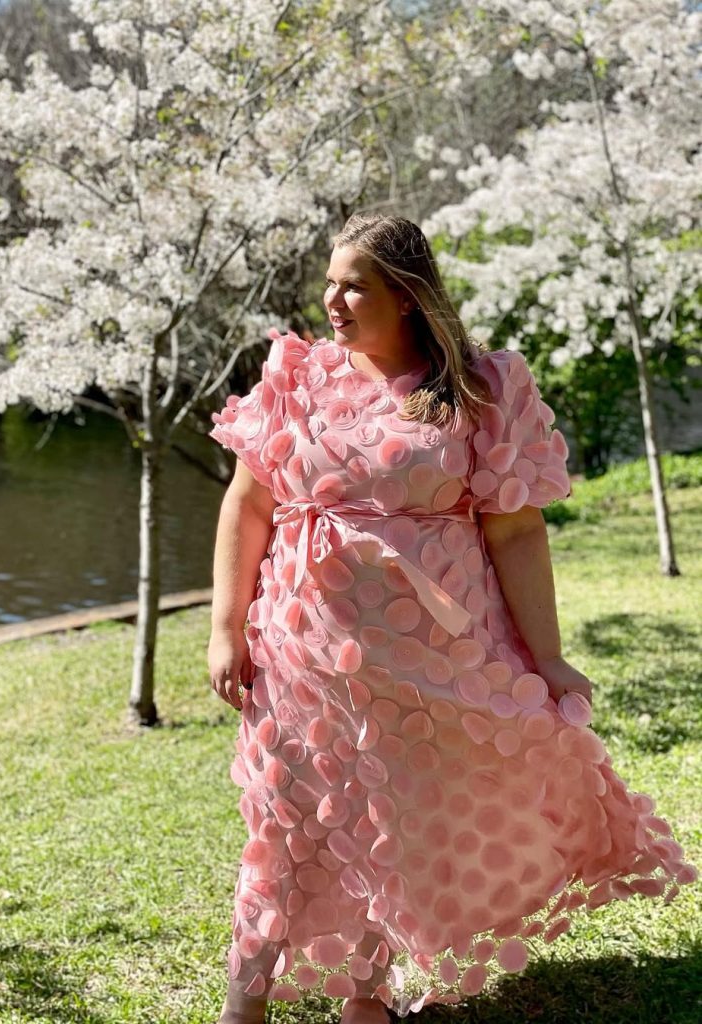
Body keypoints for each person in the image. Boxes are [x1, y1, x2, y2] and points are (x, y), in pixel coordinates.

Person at [206, 213, 698, 1023]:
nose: (332, 299)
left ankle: (367, 995)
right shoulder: (298, 378)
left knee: (394, 820)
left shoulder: (479, 388)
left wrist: (548, 655)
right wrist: (226, 627)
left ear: (404, 296)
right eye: (329, 281)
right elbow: (247, 503)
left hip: (432, 657)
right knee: (288, 816)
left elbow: (514, 529)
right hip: (300, 652)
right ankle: (245, 997)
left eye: (353, 284)